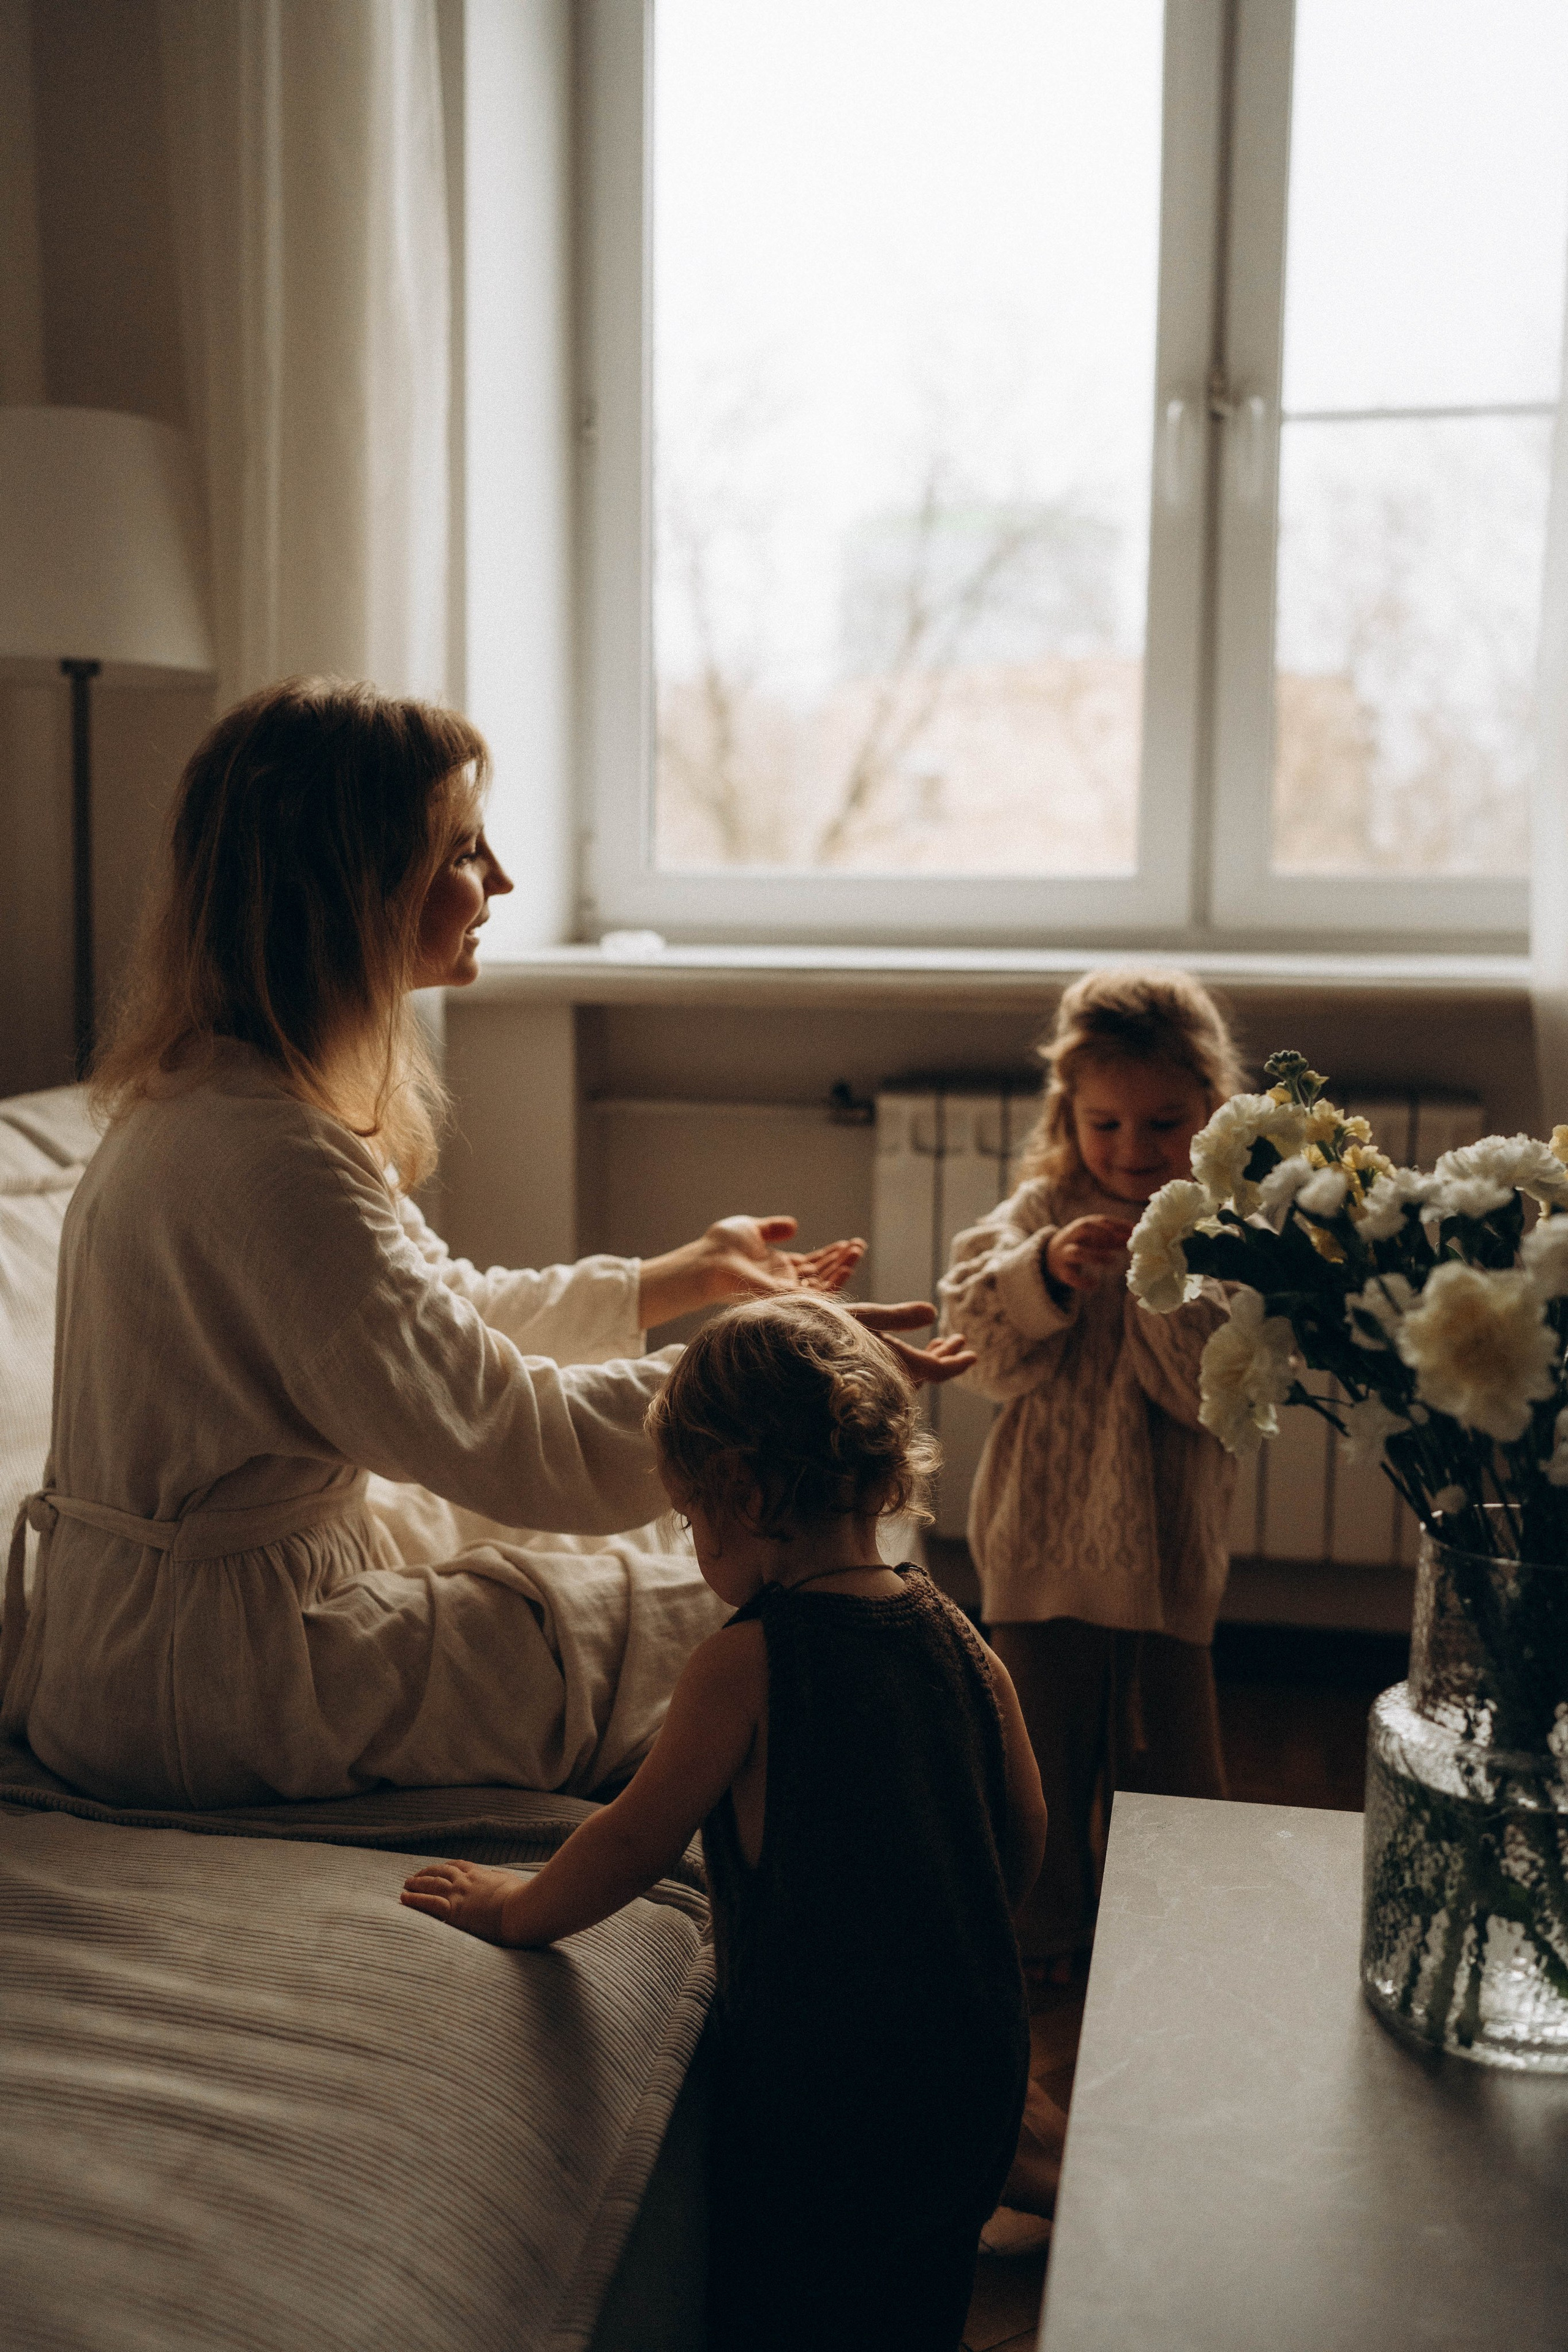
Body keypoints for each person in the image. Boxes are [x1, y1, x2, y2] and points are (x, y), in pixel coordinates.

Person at [0, 677, 960, 1809]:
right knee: (744, 1610)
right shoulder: (269, 1159)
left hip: (163, 1639)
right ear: (351, 888)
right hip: (207, 1686)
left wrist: (677, 1281)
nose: (500, 879)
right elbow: (504, 1430)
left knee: (696, 1535)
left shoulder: (223, 1097)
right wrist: (766, 1379)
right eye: (462, 851)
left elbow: (433, 1321)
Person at [402, 1294, 1043, 2352]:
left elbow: (631, 1842)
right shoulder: (961, 1636)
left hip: (822, 2090)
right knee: (919, 2296)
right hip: (977, 2070)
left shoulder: (747, 1662)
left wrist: (516, 1908)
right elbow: (1022, 1831)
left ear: (740, 1492)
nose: (694, 1545)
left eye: (689, 1519)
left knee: (786, 2305)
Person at [938, 968, 1243, 1976]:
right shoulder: (1040, 1209)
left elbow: (1207, 1389)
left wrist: (1159, 1272)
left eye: (1163, 1124)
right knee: (1035, 1769)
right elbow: (977, 1347)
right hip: (1041, 1542)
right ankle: (1036, 1945)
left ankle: (1174, 1954)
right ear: (1067, 1114)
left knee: (1173, 1779)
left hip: (1166, 1561)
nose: (1131, 1150)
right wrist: (1043, 1273)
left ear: (1211, 1110)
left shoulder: (1223, 1224)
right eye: (1103, 1124)